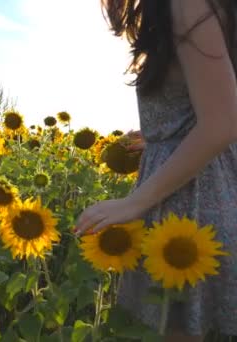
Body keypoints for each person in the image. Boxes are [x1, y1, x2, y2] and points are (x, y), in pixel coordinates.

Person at [73, 0, 237, 341]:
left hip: (190, 207)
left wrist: (132, 204)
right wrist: (165, 133)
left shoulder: (188, 5)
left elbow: (223, 122)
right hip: (205, 189)